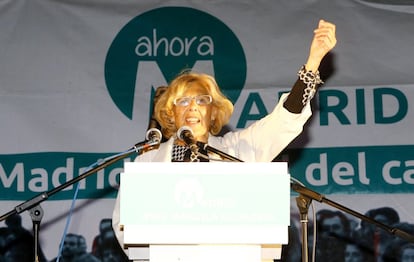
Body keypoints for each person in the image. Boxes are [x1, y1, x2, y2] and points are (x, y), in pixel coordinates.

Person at [112, 19, 337, 255]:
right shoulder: (147, 163)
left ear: (213, 113)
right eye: (183, 101)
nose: (193, 108)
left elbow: (283, 121)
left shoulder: (238, 151)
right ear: (171, 114)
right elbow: (123, 224)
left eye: (201, 101)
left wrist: (312, 64)